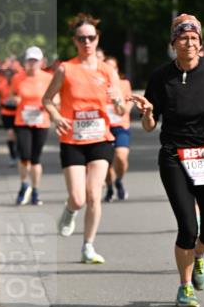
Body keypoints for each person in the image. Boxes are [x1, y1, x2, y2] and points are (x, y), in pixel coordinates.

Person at [134, 14, 204, 307]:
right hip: (174, 156)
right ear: (173, 43)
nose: (188, 43)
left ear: (200, 44)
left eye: (194, 39)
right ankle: (185, 286)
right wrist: (148, 114)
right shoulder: (161, 77)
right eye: (182, 38)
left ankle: (199, 255)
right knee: (188, 227)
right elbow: (150, 125)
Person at [42, 13, 128, 264]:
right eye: (82, 38)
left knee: (93, 194)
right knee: (78, 198)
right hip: (73, 140)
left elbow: (122, 111)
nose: (87, 42)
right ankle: (70, 210)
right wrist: (57, 118)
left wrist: (117, 100)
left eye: (91, 37)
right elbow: (47, 99)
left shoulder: (108, 70)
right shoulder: (65, 69)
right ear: (75, 41)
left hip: (100, 138)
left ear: (97, 39)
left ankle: (88, 246)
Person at [11, 46, 51, 205]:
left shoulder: (48, 78)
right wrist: (15, 100)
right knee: (24, 156)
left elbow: (56, 98)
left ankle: (35, 190)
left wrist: (51, 104)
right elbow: (13, 94)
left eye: (35, 60)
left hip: (41, 121)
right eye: (30, 60)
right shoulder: (17, 78)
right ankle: (23, 185)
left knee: (35, 158)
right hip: (22, 121)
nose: (32, 63)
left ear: (41, 62)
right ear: (25, 62)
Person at [102, 55, 133, 202]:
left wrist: (124, 108)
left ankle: (119, 180)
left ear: (117, 69)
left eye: (113, 67)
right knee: (106, 162)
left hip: (121, 126)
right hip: (103, 128)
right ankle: (109, 187)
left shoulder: (124, 83)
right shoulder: (98, 84)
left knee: (121, 156)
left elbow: (130, 100)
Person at [0, 55, 24, 166]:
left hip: (18, 113)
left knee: (19, 135)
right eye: (7, 73)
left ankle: (20, 154)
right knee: (10, 134)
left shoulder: (19, 85)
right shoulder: (1, 84)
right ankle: (13, 156)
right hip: (6, 113)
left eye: (11, 74)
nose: (9, 75)